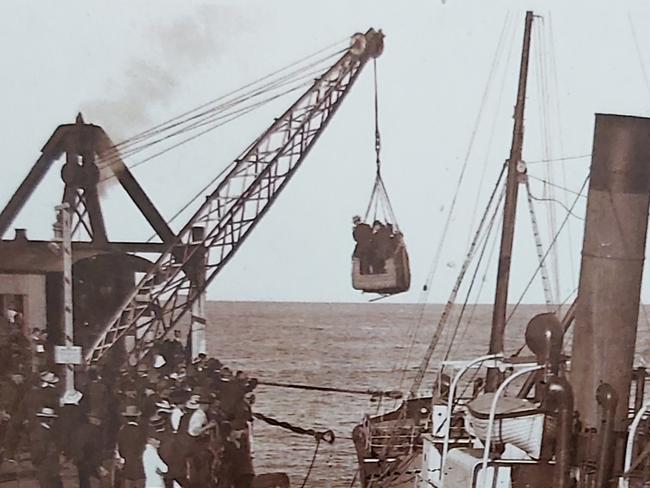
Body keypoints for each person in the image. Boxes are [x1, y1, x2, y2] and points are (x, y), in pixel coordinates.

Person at [29, 407, 63, 488]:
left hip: (50, 466)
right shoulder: (40, 432)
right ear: (48, 420)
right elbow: (39, 450)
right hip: (45, 466)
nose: (54, 421)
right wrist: (37, 462)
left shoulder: (47, 431)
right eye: (52, 419)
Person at [117, 405, 147, 488]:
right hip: (139, 464)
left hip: (127, 463)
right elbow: (143, 446)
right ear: (137, 417)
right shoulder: (141, 430)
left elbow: (120, 447)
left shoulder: (122, 430)